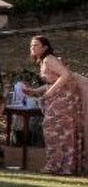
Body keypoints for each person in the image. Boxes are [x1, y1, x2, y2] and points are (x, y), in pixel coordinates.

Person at [37, 36, 88, 176]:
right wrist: (35, 91)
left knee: (55, 131)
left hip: (63, 100)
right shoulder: (44, 61)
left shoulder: (49, 59)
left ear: (45, 48)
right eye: (31, 46)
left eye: (36, 45)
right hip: (60, 99)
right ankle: (62, 166)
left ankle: (58, 165)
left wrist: (49, 93)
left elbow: (65, 75)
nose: (32, 48)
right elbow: (53, 81)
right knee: (60, 132)